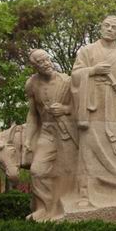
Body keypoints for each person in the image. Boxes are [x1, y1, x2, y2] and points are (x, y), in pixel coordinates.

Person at [71, 16, 116, 208]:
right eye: (107, 26)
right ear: (100, 28)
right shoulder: (87, 51)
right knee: (89, 149)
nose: (110, 29)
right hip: (93, 106)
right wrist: (93, 70)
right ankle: (86, 194)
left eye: (114, 27)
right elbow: (75, 76)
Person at [24, 49, 77, 220]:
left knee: (68, 171)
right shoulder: (32, 84)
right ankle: (44, 208)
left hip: (66, 131)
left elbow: (79, 108)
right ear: (35, 66)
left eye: (47, 59)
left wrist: (64, 109)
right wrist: (27, 139)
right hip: (46, 132)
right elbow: (33, 114)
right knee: (37, 170)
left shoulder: (67, 81)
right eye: (40, 62)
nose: (46, 64)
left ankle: (66, 208)